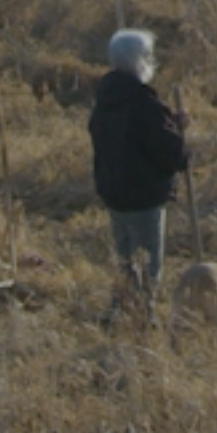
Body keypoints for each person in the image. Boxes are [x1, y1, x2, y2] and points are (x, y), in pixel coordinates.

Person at [85, 27, 188, 313]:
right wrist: (178, 136)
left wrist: (167, 120)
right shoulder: (144, 105)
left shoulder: (105, 101)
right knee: (147, 266)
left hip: (114, 195)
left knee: (126, 262)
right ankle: (142, 319)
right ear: (141, 60)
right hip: (144, 199)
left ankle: (119, 314)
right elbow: (174, 155)